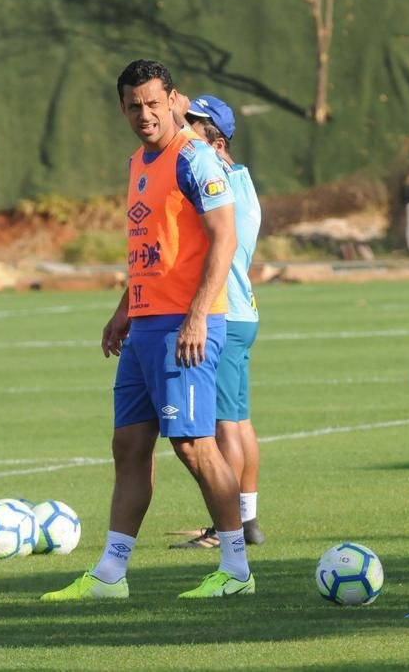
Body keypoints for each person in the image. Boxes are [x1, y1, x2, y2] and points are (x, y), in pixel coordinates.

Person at [41, 60, 253, 601]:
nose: (145, 114)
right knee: (129, 445)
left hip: (186, 326)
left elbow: (223, 240)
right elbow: (150, 249)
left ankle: (236, 570)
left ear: (173, 100)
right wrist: (124, 310)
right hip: (146, 325)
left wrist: (198, 315)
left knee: (194, 445)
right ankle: (111, 576)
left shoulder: (196, 157)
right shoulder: (139, 160)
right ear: (122, 108)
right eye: (134, 106)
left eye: (154, 103)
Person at [170, 94, 265, 549]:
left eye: (194, 123)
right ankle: (247, 518)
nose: (185, 126)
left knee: (224, 425)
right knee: (240, 421)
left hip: (223, 312)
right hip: (245, 312)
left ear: (218, 138)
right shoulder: (242, 179)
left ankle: (228, 529)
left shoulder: (216, 173)